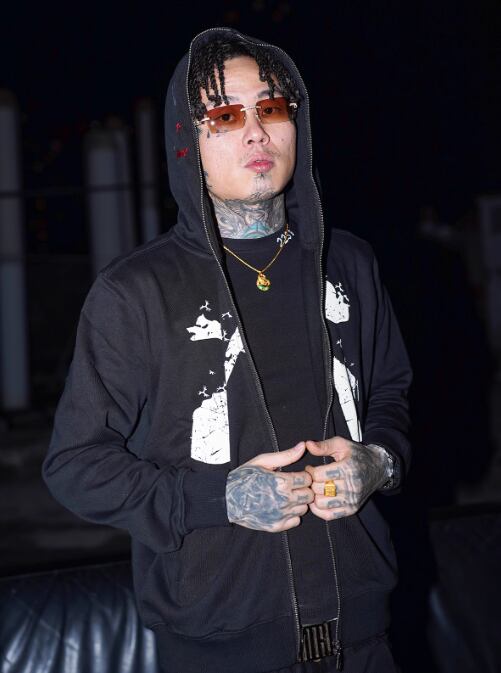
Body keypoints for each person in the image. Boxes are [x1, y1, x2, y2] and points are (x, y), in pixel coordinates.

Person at [43, 27, 412, 673]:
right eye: (224, 115)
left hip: (366, 639)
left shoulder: (349, 263)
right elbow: (75, 465)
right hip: (221, 648)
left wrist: (378, 462)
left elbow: (390, 394)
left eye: (271, 108)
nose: (256, 132)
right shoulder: (137, 291)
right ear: (187, 141)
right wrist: (219, 499)